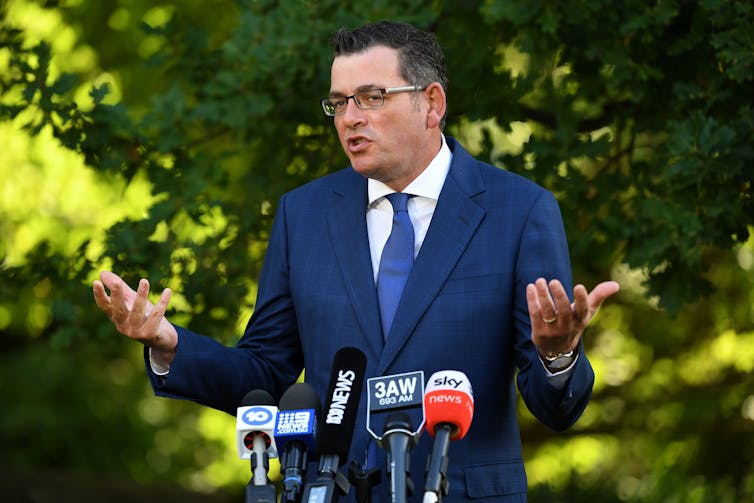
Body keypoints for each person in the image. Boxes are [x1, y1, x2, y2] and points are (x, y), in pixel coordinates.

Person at [93, 21, 619, 502]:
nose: (350, 118)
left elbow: (557, 408)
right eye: (339, 102)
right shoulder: (304, 214)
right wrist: (168, 344)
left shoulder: (519, 210)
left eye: (371, 97)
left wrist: (558, 358)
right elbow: (267, 372)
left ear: (431, 103)